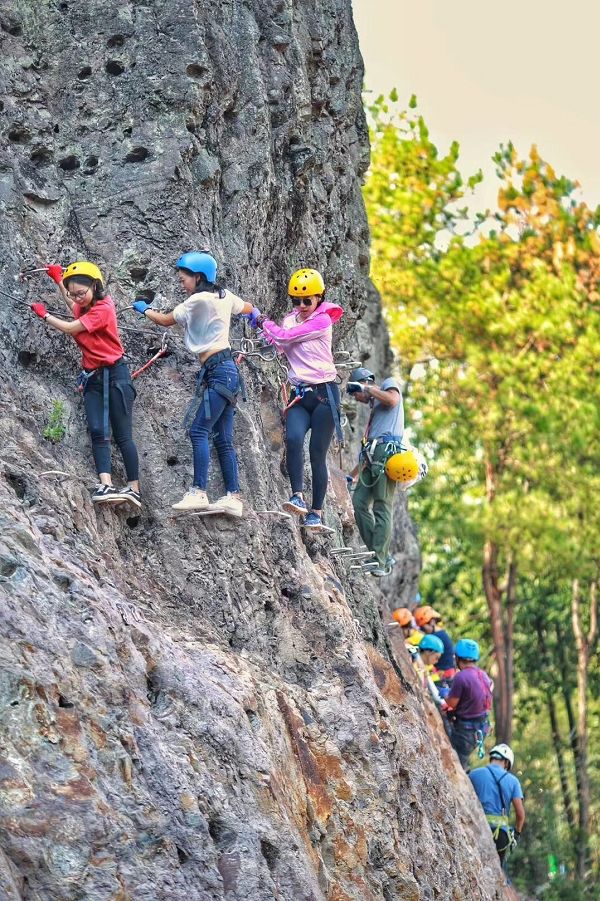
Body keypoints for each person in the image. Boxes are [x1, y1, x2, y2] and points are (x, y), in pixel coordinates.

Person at [132, 251, 259, 515]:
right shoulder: (224, 296)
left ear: (198, 277)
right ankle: (233, 498)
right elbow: (247, 308)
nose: (181, 283)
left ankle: (198, 491)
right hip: (227, 372)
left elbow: (166, 320)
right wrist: (257, 316)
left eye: (184, 278)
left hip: (218, 372)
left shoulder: (196, 301)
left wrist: (144, 309)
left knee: (198, 431)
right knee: (223, 439)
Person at [32, 261, 141, 506]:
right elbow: (74, 306)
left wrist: (45, 315)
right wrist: (58, 280)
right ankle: (106, 484)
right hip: (93, 378)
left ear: (95, 286)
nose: (77, 298)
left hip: (115, 376)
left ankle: (134, 489)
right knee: (98, 431)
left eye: (82, 292)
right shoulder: (85, 305)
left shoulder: (103, 308)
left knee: (123, 435)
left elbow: (72, 327)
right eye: (74, 293)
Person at [260, 268, 343, 530]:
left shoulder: (322, 321)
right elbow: (282, 343)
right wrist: (265, 333)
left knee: (317, 453)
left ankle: (316, 512)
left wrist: (260, 319)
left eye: (308, 300)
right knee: (293, 439)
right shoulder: (289, 320)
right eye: (297, 301)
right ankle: (297, 495)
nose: (303, 305)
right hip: (300, 394)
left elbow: (285, 337)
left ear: (320, 298)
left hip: (324, 395)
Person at [347, 367, 404, 576]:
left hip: (387, 454)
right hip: (373, 456)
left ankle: (379, 560)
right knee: (359, 503)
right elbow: (367, 451)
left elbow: (392, 400)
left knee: (382, 506)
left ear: (365, 383)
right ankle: (381, 554)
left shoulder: (389, 384)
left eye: (356, 394)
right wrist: (351, 476)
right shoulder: (375, 410)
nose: (357, 399)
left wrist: (367, 389)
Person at [469, 744, 525, 869]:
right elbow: (520, 815)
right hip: (500, 835)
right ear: (506, 763)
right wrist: (517, 833)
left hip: (477, 829)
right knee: (496, 872)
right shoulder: (513, 781)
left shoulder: (474, 774)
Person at [445, 639, 493, 770]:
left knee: (457, 764)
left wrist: (445, 694)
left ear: (457, 657)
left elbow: (451, 703)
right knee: (463, 761)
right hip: (480, 729)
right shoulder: (483, 675)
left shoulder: (461, 677)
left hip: (465, 731)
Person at [414, 606, 456, 682]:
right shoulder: (440, 633)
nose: (423, 631)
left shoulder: (436, 638)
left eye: (423, 628)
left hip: (442, 677)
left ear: (432, 622)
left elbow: (418, 649)